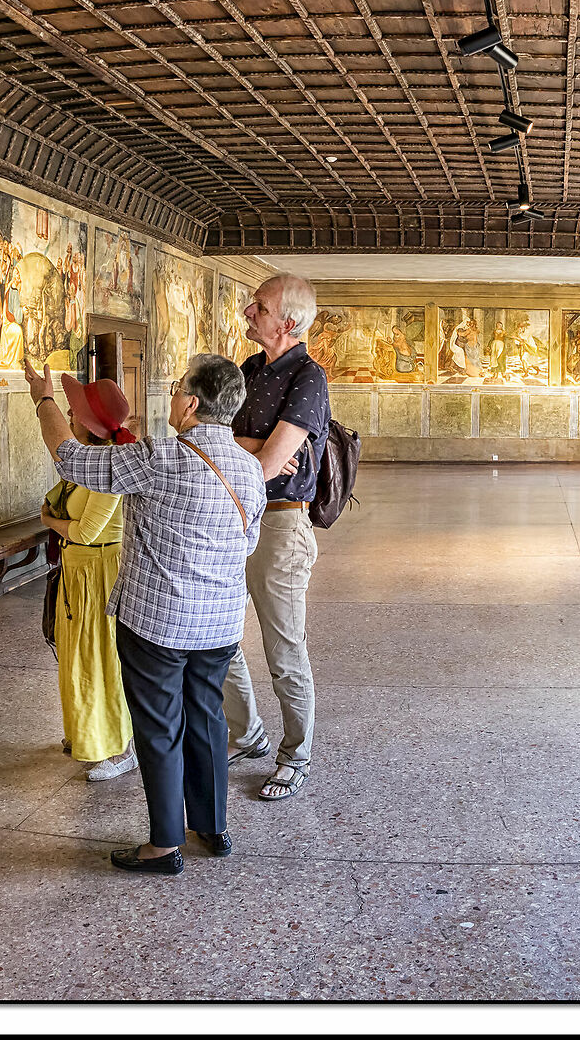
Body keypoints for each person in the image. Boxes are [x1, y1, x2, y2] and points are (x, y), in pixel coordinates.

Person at [26, 352, 264, 874]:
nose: (173, 395)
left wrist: (45, 397)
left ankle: (163, 844)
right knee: (206, 719)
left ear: (193, 403)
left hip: (157, 623)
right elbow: (246, 543)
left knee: (159, 728)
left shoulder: (159, 457)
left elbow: (69, 457)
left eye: (178, 387)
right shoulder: (249, 469)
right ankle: (212, 826)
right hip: (220, 623)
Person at [221, 274, 332, 803]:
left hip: (282, 524)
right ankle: (246, 735)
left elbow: (267, 464)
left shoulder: (308, 377)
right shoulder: (249, 370)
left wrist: (250, 452)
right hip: (235, 517)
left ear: (288, 321)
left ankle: (297, 754)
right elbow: (212, 442)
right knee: (218, 636)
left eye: (258, 306)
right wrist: (252, 446)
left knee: (283, 647)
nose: (248, 310)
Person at [41, 387, 136, 783]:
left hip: (99, 571)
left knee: (100, 660)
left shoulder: (107, 469)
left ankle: (119, 748)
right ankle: (87, 733)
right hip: (78, 570)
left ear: (90, 424)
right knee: (76, 656)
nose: (68, 415)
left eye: (73, 411)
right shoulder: (86, 462)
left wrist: (48, 521)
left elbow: (87, 529)